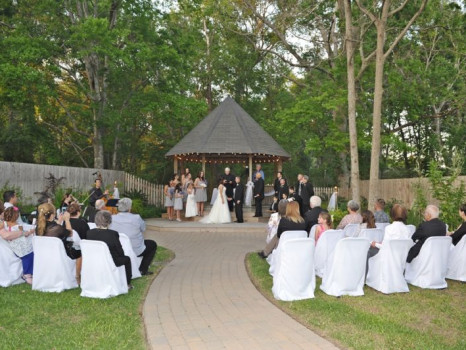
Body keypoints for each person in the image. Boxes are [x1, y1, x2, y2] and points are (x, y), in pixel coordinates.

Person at [36, 202, 82, 283]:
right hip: (58, 255)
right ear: (52, 215)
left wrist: (59, 222)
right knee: (79, 252)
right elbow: (70, 233)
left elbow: (51, 231)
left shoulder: (38, 227)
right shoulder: (57, 228)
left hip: (44, 255)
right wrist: (67, 220)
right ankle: (77, 277)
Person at [110, 198, 157, 275]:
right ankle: (143, 269)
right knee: (152, 244)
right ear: (129, 208)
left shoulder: (112, 218)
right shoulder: (136, 217)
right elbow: (143, 228)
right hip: (135, 250)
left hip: (118, 250)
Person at [87, 211, 133, 289]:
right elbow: (120, 251)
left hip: (95, 260)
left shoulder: (89, 233)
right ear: (109, 221)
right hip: (111, 261)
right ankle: (127, 283)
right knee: (127, 259)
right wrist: (122, 256)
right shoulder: (113, 234)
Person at [1, 207, 35, 284]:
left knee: (28, 256)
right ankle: (27, 274)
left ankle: (30, 273)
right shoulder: (18, 226)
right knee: (28, 256)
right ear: (16, 217)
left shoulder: (6, 225)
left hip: (15, 247)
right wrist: (30, 232)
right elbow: (24, 234)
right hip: (21, 248)